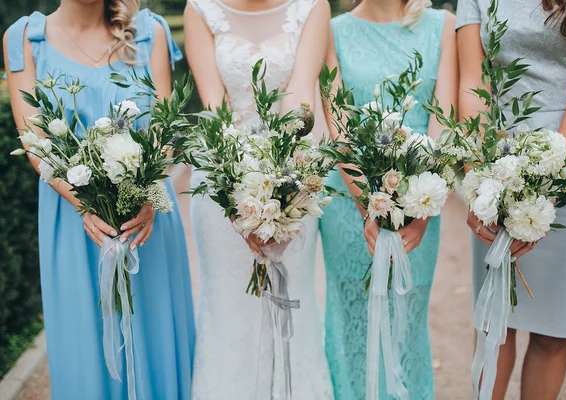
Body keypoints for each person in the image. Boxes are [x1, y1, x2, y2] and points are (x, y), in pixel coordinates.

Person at [3, 1, 195, 398]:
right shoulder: (24, 40)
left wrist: (145, 193)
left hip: (148, 218)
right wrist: (86, 206)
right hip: (75, 223)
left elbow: (163, 126)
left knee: (155, 333)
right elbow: (35, 143)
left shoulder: (149, 31)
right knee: (85, 340)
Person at [183, 0, 334, 397]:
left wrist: (285, 195)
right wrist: (240, 200)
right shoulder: (200, 9)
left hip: (292, 171)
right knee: (227, 305)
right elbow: (214, 108)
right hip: (222, 174)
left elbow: (302, 97)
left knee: (290, 293)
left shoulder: (312, 6)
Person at [456, 0, 566, 398]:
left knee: (554, 334)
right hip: (496, 166)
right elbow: (473, 82)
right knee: (494, 321)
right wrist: (480, 182)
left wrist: (542, 193)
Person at [319, 1, 458, 398]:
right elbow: (338, 123)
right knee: (352, 322)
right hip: (349, 203)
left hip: (420, 205)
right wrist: (374, 209)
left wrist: (419, 208)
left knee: (406, 318)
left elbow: (443, 119)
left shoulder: (442, 26)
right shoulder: (333, 30)